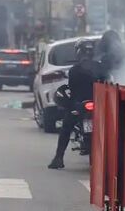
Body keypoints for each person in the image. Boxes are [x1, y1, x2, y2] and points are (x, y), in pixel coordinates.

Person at [48, 38, 110, 170]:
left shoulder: (74, 70)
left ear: (79, 52)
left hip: (80, 105)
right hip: (98, 105)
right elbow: (107, 84)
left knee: (66, 128)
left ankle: (58, 158)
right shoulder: (100, 67)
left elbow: (72, 88)